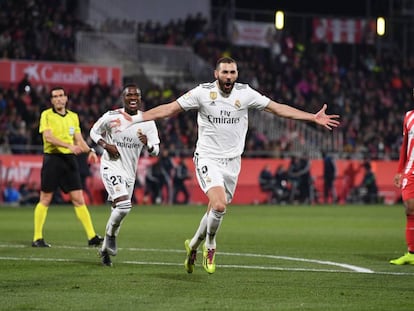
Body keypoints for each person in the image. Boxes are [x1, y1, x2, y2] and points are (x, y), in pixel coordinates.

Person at [122, 57, 340, 274]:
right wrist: (137, 118)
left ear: (237, 75)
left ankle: (193, 245)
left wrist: (311, 117)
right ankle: (211, 246)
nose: (229, 76)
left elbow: (277, 108)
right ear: (216, 74)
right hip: (208, 158)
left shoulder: (245, 94)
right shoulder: (202, 93)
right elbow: (170, 109)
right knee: (218, 205)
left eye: (232, 72)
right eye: (224, 72)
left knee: (213, 211)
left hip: (233, 162)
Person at [90, 84, 160, 267]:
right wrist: (106, 146)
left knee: (119, 210)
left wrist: (148, 145)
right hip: (111, 166)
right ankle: (110, 237)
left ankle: (105, 250)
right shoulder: (112, 116)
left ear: (140, 98)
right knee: (124, 206)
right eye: (129, 95)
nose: (133, 98)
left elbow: (156, 150)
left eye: (136, 95)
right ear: (124, 98)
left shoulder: (148, 121)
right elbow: (93, 132)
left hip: (130, 173)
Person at [32, 86, 102, 248]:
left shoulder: (73, 117)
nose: (58, 98)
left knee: (78, 199)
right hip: (53, 159)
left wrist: (90, 150)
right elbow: (48, 137)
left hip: (69, 161)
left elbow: (79, 139)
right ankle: (37, 238)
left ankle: (92, 237)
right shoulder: (46, 115)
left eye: (60, 96)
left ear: (65, 99)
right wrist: (68, 146)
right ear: (51, 100)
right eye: (54, 96)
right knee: (46, 198)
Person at [390, 104, 414, 264]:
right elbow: (404, 145)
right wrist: (400, 170)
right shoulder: (408, 116)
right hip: (410, 169)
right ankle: (412, 253)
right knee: (410, 208)